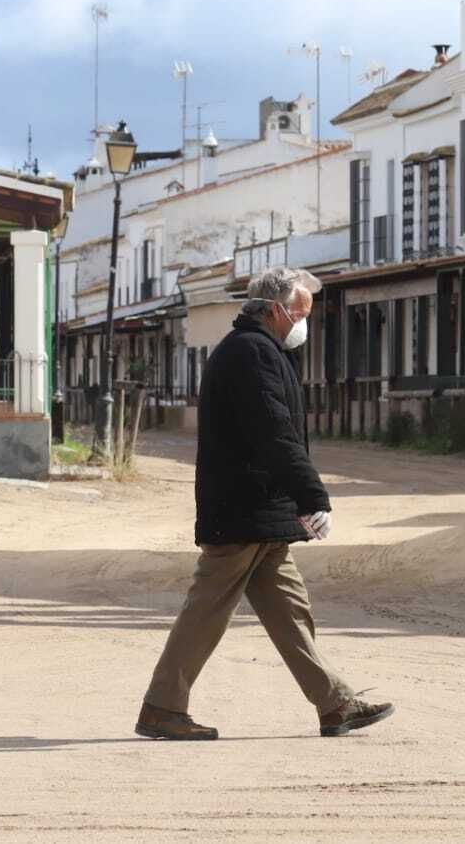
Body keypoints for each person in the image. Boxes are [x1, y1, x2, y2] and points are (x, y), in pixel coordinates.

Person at [136, 266, 394, 741]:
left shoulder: (260, 351)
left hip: (261, 512)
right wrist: (312, 494)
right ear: (276, 310)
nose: (304, 323)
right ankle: (162, 707)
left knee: (290, 610)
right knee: (206, 610)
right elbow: (274, 434)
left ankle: (335, 704)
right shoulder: (252, 355)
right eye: (301, 312)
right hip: (242, 511)